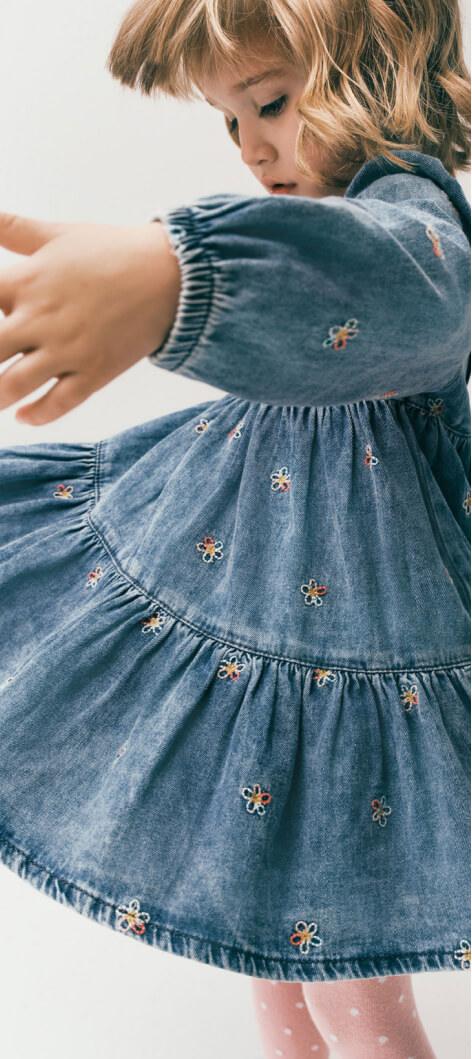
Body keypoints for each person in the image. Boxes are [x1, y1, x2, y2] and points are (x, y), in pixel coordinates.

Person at [0, 0, 470, 1056]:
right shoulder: (316, 222)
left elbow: (395, 286)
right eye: (227, 119)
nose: (252, 146)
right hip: (255, 595)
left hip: (350, 651)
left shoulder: (408, 223)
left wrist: (178, 280)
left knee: (354, 990)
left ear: (373, 65)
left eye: (270, 101)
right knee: (270, 954)